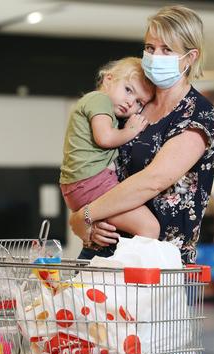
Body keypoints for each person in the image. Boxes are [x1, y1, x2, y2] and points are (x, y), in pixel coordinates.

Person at [69, 5, 214, 264]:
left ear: (190, 57)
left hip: (154, 263)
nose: (154, 56)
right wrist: (82, 218)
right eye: (150, 48)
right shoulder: (134, 104)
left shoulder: (197, 115)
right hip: (103, 252)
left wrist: (83, 215)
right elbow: (92, 161)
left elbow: (154, 180)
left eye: (166, 49)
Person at [60, 57, 159, 243]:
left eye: (139, 102)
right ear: (108, 79)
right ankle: (128, 271)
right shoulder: (99, 100)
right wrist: (131, 130)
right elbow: (105, 138)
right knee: (149, 227)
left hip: (82, 185)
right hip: (91, 183)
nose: (131, 103)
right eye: (128, 90)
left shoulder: (104, 108)